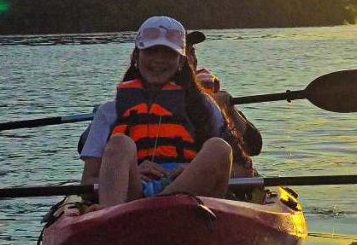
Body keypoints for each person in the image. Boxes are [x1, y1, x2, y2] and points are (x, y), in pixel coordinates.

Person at [77, 16, 254, 208]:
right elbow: (88, 182)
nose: (159, 60)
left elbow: (244, 171)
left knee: (219, 148)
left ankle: (159, 207)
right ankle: (115, 219)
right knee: (120, 142)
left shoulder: (204, 106)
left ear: (180, 61)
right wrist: (131, 172)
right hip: (131, 199)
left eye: (168, 53)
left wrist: (191, 169)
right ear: (137, 56)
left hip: (191, 199)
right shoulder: (108, 112)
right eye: (151, 51)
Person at [185, 31, 263, 158]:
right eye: (185, 52)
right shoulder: (163, 99)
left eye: (192, 52)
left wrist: (229, 109)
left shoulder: (209, 90)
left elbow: (254, 147)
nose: (191, 59)